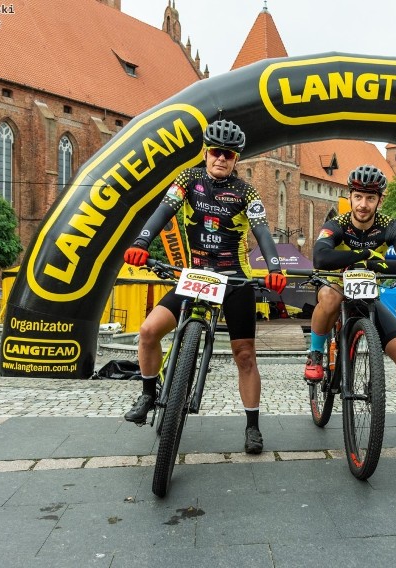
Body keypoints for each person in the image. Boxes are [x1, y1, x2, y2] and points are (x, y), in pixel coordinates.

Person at [122, 119, 287, 455]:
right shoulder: (188, 180)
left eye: (228, 154)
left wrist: (274, 266)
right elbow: (162, 211)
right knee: (149, 330)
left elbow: (263, 232)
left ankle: (252, 426)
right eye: (216, 152)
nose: (221, 159)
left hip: (234, 278)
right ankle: (148, 394)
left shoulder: (246, 192)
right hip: (196, 274)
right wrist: (141, 242)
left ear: (236, 158)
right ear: (206, 152)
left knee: (245, 356)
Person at [303, 165, 396, 462]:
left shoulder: (390, 225)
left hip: (367, 291)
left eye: (370, 199)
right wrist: (364, 256)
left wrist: (375, 267)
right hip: (336, 285)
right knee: (329, 297)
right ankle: (316, 353)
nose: (363, 205)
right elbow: (321, 256)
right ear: (350, 196)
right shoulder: (337, 224)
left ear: (379, 201)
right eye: (358, 197)